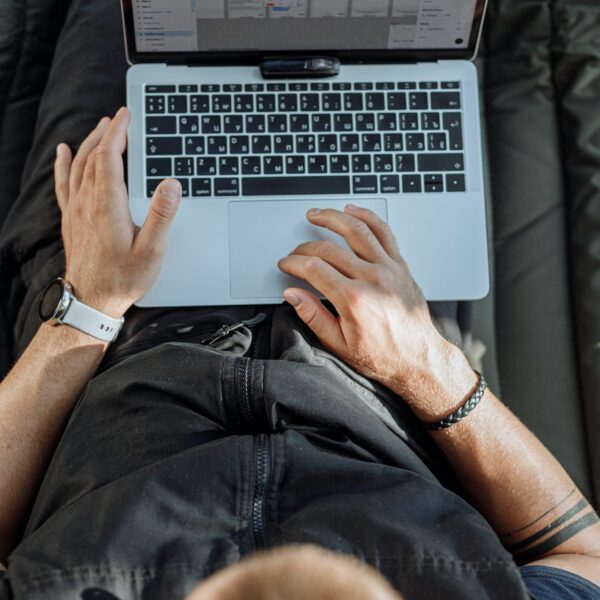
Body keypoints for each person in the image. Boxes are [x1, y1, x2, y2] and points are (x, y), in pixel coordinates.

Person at [0, 2, 599, 599]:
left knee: (121, 22)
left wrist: (85, 310)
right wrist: (427, 363)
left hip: (106, 330)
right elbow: (584, 555)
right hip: (383, 346)